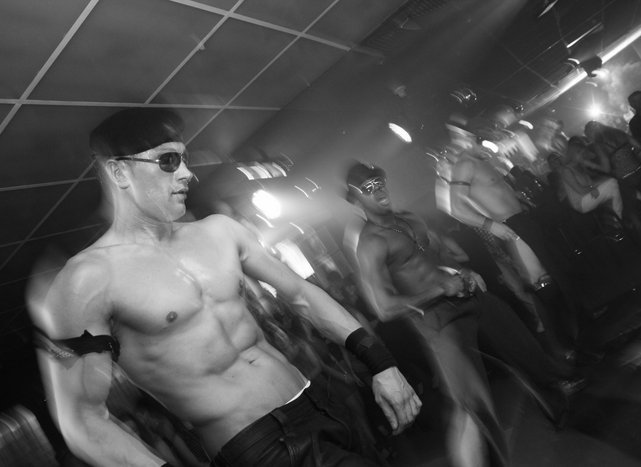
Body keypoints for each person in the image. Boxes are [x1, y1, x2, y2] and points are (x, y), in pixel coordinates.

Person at [29, 108, 421, 467]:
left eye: (185, 159)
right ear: (119, 173)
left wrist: (381, 362)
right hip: (258, 446)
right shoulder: (86, 280)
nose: (186, 173)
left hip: (319, 403)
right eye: (168, 161)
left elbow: (301, 295)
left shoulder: (220, 231)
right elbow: (82, 420)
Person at [346, 162, 576, 467]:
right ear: (356, 199)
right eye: (367, 188)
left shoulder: (410, 219)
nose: (378, 191)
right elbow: (384, 308)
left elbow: (439, 257)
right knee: (471, 408)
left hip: (468, 297)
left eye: (379, 182)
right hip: (440, 323)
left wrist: (462, 272)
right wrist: (440, 289)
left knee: (526, 350)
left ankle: (558, 403)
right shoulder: (371, 244)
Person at [435, 122, 580, 346]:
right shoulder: (464, 165)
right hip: (510, 227)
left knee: (553, 274)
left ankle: (575, 336)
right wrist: (492, 226)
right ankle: (566, 345)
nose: (483, 142)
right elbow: (456, 208)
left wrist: (517, 198)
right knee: (541, 281)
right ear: (465, 138)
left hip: (522, 221)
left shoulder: (480, 161)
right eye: (477, 137)